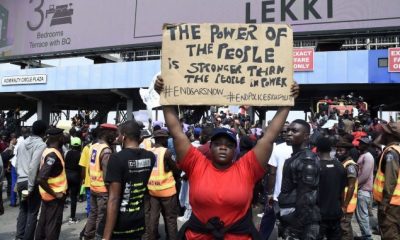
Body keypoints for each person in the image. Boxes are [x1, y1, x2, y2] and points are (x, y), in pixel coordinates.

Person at [155, 76, 299, 239]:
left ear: (235, 150)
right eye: (218, 144)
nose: (223, 147)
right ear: (210, 147)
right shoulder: (196, 164)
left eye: (229, 145)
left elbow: (269, 137)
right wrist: (165, 97)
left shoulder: (247, 167)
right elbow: (176, 132)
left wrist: (287, 101)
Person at [99, 120, 156, 240]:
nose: (117, 137)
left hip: (119, 224)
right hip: (138, 222)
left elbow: (114, 198)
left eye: (118, 134)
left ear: (123, 136)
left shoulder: (116, 159)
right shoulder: (150, 157)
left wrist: (106, 237)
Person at [278, 119, 321, 240]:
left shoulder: (307, 161)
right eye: (288, 130)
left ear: (306, 136)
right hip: (292, 218)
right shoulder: (296, 157)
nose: (289, 133)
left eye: (294, 131)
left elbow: (307, 199)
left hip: (303, 225)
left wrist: (295, 231)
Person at [84, 123, 117, 240]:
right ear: (107, 133)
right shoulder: (106, 151)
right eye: (113, 133)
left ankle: (88, 235)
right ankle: (99, 237)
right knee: (101, 217)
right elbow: (107, 174)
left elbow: (89, 168)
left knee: (93, 214)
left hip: (93, 187)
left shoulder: (94, 146)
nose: (115, 136)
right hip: (103, 190)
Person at [15, 120, 48, 240]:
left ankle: (19, 236)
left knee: (23, 209)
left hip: (20, 180)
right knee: (32, 212)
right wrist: (30, 187)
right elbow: (34, 166)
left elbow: (17, 163)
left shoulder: (23, 143)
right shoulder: (41, 145)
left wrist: (19, 178)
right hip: (31, 182)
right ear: (44, 132)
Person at [146, 129, 180, 240]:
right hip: (167, 191)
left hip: (152, 190)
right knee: (170, 218)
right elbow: (176, 169)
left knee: (153, 217)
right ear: (163, 139)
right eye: (166, 138)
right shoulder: (166, 152)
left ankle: (152, 237)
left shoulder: (149, 152)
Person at [260, 124, 292, 239]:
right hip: (292, 196)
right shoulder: (304, 149)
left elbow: (272, 173)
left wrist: (269, 193)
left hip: (279, 195)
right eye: (283, 131)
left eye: (286, 131)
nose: (285, 134)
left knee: (274, 222)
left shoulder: (277, 149)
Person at [35, 128, 67, 240]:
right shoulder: (53, 155)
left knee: (43, 224)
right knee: (52, 226)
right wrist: (55, 194)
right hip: (54, 197)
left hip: (46, 195)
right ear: (58, 138)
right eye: (62, 135)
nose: (64, 137)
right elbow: (41, 178)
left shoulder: (48, 151)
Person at [373, 122, 400, 239]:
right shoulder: (397, 149)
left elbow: (390, 180)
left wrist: (384, 203)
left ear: (390, 135)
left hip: (391, 203)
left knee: (390, 233)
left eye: (384, 131)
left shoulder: (391, 153)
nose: (381, 133)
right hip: (395, 201)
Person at [316, 137, 346, 240]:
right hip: (336, 213)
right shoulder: (340, 166)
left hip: (319, 214)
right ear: (330, 150)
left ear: (317, 150)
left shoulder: (316, 167)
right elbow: (342, 191)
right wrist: (343, 207)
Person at [336, 140, 358, 240]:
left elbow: (351, 186)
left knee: (344, 228)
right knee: (345, 227)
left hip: (347, 203)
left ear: (347, 152)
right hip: (342, 201)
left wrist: (345, 205)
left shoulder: (350, 166)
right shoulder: (342, 163)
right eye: (337, 150)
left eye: (341, 151)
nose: (338, 153)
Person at [355, 137, 374, 240]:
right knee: (360, 215)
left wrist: (355, 186)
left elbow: (365, 175)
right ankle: (365, 235)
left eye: (362, 143)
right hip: (362, 190)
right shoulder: (363, 155)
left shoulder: (368, 157)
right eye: (360, 142)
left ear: (366, 145)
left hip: (363, 190)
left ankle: (367, 237)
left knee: (362, 216)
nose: (359, 144)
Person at [65, 136, 82, 224]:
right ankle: (72, 217)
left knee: (63, 196)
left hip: (67, 175)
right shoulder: (80, 154)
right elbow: (81, 168)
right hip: (75, 176)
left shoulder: (67, 153)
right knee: (73, 198)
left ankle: (58, 216)